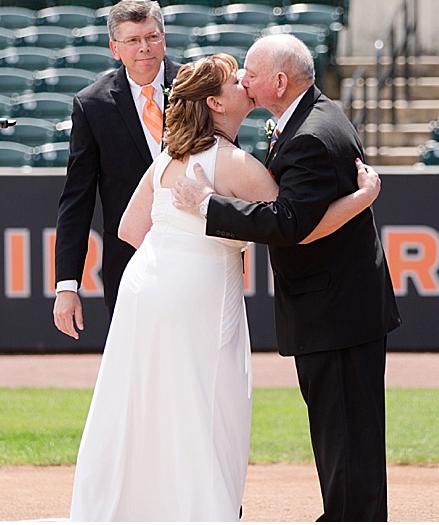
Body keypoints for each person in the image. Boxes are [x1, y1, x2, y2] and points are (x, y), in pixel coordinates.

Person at [69, 53, 382, 521]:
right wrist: (363, 198)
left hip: (145, 284)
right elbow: (295, 228)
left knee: (142, 402)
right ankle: (204, 508)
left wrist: (178, 244)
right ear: (215, 103)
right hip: (199, 289)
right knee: (208, 404)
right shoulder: (234, 162)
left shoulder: (167, 157)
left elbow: (130, 230)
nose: (244, 82)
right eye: (235, 79)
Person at [172, 34, 402, 521]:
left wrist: (209, 205)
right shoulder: (309, 118)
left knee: (346, 434)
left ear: (279, 81)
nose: (243, 80)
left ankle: (350, 518)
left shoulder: (311, 134)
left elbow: (288, 223)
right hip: (337, 308)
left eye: (251, 73)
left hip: (336, 312)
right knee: (342, 432)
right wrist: (361, 200)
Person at [53, 0, 180, 339]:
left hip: (196, 253)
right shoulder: (92, 105)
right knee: (135, 363)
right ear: (115, 49)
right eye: (133, 40)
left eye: (152, 37)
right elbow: (76, 200)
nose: (144, 48)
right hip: (128, 261)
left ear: (164, 38)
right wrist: (67, 285)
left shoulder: (197, 88)